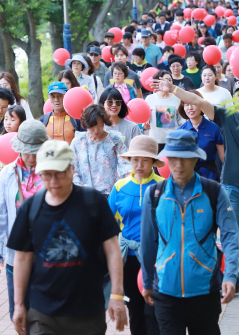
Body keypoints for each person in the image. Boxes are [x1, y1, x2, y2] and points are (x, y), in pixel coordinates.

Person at [155, 77, 239, 295]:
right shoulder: (226, 118)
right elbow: (196, 100)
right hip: (231, 189)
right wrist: (172, 89)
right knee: (229, 234)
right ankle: (232, 277)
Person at [6, 140, 128, 335]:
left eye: (59, 173)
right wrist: (19, 304)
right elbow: (22, 258)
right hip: (42, 311)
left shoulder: (93, 202)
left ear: (72, 169)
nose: (53, 181)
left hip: (88, 310)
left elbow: (113, 250)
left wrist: (117, 295)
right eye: (47, 175)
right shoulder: (30, 209)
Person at [139, 130, 239, 334]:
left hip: (205, 290)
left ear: (195, 158)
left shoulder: (214, 192)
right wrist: (148, 282)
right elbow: (148, 241)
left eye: (185, 158)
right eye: (173, 158)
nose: (178, 164)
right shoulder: (155, 194)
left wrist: (230, 275)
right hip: (165, 292)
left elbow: (230, 235)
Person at [0, 121, 49, 320]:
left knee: (46, 312)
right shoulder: (7, 173)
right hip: (16, 254)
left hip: (48, 254)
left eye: (36, 152)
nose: (31, 158)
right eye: (27, 152)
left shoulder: (53, 173)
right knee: (19, 312)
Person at [108, 135, 164, 335]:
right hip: (128, 260)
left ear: (153, 162)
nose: (139, 164)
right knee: (135, 310)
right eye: (135, 159)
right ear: (129, 161)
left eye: (145, 160)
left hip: (156, 258)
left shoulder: (164, 186)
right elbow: (107, 224)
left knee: (154, 309)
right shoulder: (119, 187)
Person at [71, 104, 131, 196]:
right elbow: (73, 168)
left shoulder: (115, 140)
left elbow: (125, 165)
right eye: (92, 126)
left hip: (110, 194)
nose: (96, 130)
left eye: (100, 125)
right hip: (85, 194)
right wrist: (78, 186)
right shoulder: (78, 142)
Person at [177, 91, 225, 181]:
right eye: (186, 105)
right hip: (187, 177)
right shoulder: (179, 131)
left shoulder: (214, 128)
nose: (190, 108)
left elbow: (223, 158)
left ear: (201, 105)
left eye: (193, 104)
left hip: (210, 176)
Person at [144, 70, 182, 151]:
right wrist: (145, 123)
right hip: (155, 140)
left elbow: (180, 118)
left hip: (173, 140)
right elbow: (145, 116)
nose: (168, 82)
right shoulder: (150, 98)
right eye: (165, 80)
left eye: (170, 80)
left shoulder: (177, 99)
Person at [0, 105, 26, 178]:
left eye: (12, 120)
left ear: (21, 122)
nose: (8, 123)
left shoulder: (26, 139)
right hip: (6, 178)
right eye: (6, 119)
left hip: (24, 177)